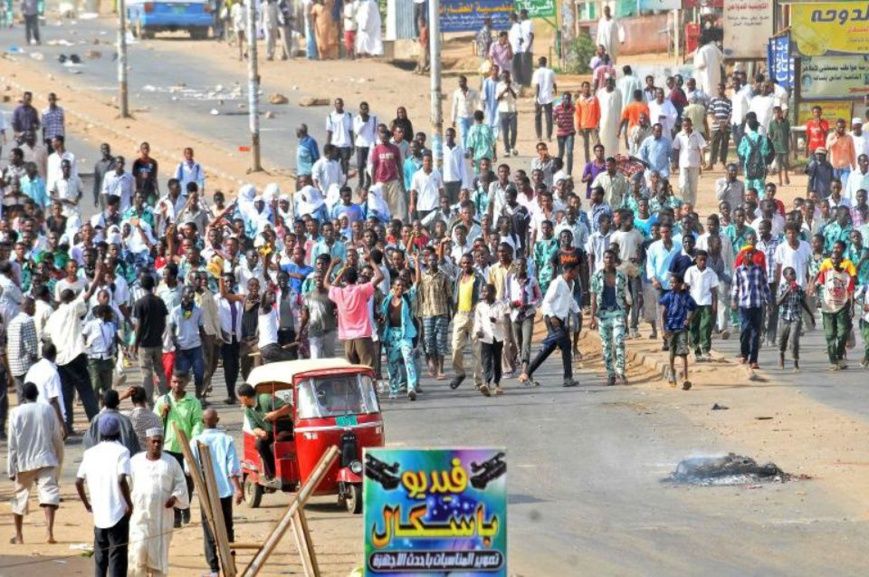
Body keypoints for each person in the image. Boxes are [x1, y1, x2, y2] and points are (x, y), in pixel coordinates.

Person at [46, 264, 104, 432]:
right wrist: (98, 275)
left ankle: (68, 425)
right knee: (86, 391)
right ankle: (96, 423)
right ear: (71, 298)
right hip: (75, 356)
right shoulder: (72, 307)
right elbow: (89, 294)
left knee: (66, 394)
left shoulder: (54, 315)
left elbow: (46, 336)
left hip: (60, 359)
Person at [75, 414, 134, 577]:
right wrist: (129, 503)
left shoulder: (90, 453)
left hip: (99, 514)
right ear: (118, 432)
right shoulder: (122, 451)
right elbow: (122, 479)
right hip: (118, 512)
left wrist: (87, 504)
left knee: (100, 557)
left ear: (100, 433)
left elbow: (78, 481)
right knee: (117, 557)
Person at [127, 428, 189, 577]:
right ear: (147, 442)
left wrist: (174, 497)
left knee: (159, 558)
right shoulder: (135, 461)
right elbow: (126, 485)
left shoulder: (171, 462)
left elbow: (181, 484)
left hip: (162, 519)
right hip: (139, 517)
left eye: (159, 442)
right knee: (138, 551)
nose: (156, 444)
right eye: (153, 441)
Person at [7, 382, 64, 545]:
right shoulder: (47, 410)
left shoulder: (15, 412)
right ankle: (49, 533)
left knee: (19, 497)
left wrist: (11, 468)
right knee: (49, 494)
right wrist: (58, 460)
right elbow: (57, 438)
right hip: (46, 459)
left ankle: (18, 536)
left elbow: (12, 444)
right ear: (37, 394)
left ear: (23, 396)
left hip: (24, 462)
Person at [191, 409, 243, 577]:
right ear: (217, 420)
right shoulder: (226, 440)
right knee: (228, 529)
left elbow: (189, 469)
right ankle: (230, 565)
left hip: (206, 493)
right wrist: (238, 489)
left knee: (209, 530)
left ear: (202, 421)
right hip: (225, 492)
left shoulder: (195, 441)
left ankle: (214, 570)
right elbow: (232, 468)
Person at [519, 263, 580, 388]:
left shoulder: (571, 284)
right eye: (576, 271)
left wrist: (577, 310)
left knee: (550, 347)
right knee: (566, 345)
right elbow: (546, 302)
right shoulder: (557, 283)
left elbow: (570, 300)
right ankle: (567, 378)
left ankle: (527, 372)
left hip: (562, 319)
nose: (578, 274)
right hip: (553, 319)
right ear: (570, 271)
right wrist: (552, 316)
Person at [153, 372, 202, 527]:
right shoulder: (163, 400)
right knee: (170, 481)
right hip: (168, 447)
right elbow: (154, 423)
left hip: (186, 447)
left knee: (188, 480)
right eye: (174, 382)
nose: (177, 385)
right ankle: (175, 515)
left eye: (180, 382)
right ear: (170, 382)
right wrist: (163, 412)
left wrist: (193, 440)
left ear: (185, 383)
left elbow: (197, 423)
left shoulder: (193, 401)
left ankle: (185, 506)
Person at [325, 255, 384, 366]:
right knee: (367, 369)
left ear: (344, 279)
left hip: (346, 338)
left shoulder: (339, 292)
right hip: (362, 336)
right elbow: (380, 276)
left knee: (354, 371)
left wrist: (333, 266)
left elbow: (327, 284)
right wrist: (371, 260)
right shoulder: (361, 290)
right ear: (356, 278)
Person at [237, 383, 291, 487]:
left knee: (274, 445)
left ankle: (283, 473)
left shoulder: (265, 399)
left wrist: (276, 414)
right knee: (259, 444)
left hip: (284, 429)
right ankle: (271, 475)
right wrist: (260, 432)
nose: (240, 400)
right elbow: (254, 427)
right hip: (269, 432)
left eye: (240, 398)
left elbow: (289, 407)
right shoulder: (248, 410)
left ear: (244, 397)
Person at [589, 249, 630, 386]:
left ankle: (621, 372)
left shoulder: (621, 276)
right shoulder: (596, 276)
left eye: (611, 258)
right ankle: (610, 374)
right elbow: (593, 296)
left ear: (615, 259)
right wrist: (592, 317)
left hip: (618, 312)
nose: (609, 260)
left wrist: (626, 317)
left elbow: (624, 296)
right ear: (603, 259)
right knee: (606, 346)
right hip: (603, 314)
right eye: (606, 257)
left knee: (619, 342)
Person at [731, 245, 770, 372]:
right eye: (747, 254)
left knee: (755, 333)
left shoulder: (759, 270)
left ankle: (754, 360)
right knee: (745, 330)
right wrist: (733, 301)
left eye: (751, 254)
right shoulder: (738, 271)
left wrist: (769, 302)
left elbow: (765, 286)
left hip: (757, 304)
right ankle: (744, 354)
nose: (749, 256)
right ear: (742, 255)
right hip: (744, 305)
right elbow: (735, 287)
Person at [450, 254, 485, 390]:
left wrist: (480, 307)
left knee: (477, 350)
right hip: (460, 315)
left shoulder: (478, 278)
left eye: (468, 263)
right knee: (456, 347)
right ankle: (460, 373)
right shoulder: (459, 276)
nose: (466, 265)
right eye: (464, 263)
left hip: (474, 316)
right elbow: (441, 264)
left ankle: (478, 381)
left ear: (472, 263)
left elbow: (483, 294)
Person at [817, 252, 855, 370]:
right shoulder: (826, 273)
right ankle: (833, 361)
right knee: (830, 335)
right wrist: (818, 299)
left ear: (841, 260)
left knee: (842, 333)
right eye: (832, 258)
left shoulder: (847, 275)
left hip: (842, 307)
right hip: (827, 307)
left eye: (836, 258)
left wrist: (852, 307)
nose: (834, 261)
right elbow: (819, 285)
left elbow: (851, 291)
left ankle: (839, 356)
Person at [660, 275, 697, 390]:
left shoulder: (686, 297)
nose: (672, 285)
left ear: (680, 283)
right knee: (671, 353)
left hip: (681, 328)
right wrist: (663, 329)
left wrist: (689, 319)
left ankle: (686, 378)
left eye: (674, 283)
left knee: (683, 353)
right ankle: (672, 373)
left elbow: (694, 308)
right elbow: (662, 314)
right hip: (670, 328)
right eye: (671, 283)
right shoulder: (667, 297)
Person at [170, 286, 207, 400]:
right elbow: (171, 329)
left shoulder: (198, 310)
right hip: (182, 348)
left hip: (195, 346)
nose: (191, 294)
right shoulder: (175, 311)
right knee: (181, 375)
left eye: (193, 292)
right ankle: (178, 397)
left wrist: (206, 347)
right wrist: (175, 345)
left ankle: (198, 397)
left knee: (199, 373)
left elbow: (201, 329)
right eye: (189, 292)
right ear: (183, 295)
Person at [776, 266, 815, 371]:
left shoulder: (798, 288)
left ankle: (795, 362)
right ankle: (781, 355)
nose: (793, 276)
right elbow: (778, 302)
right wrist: (787, 292)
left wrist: (811, 315)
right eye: (791, 274)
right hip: (784, 317)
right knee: (782, 339)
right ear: (785, 276)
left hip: (796, 317)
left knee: (794, 340)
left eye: (794, 274)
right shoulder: (782, 287)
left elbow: (803, 302)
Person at [684, 250, 719, 361]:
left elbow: (714, 291)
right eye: (700, 260)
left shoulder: (710, 272)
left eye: (704, 260)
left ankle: (705, 349)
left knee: (705, 327)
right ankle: (695, 349)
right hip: (693, 303)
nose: (703, 262)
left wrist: (714, 304)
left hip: (706, 303)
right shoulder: (691, 270)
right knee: (693, 326)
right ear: (696, 260)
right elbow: (686, 287)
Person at [474, 283, 508, 396]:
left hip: (498, 337)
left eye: (486, 291)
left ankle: (497, 384)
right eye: (483, 291)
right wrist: (478, 331)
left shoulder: (500, 304)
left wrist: (496, 320)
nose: (484, 294)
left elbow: (504, 319)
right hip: (485, 337)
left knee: (497, 360)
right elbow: (477, 321)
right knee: (486, 360)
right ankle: (487, 383)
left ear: (493, 293)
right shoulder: (480, 306)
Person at [84, 389, 141, 456]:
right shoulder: (125, 420)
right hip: (122, 457)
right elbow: (134, 446)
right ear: (118, 402)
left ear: (103, 403)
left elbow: (88, 442)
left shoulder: (96, 419)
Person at [672, 117, 707, 205]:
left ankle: (691, 207)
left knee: (693, 188)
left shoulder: (697, 134)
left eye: (688, 125)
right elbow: (676, 149)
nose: (686, 127)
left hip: (695, 164)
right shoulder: (679, 135)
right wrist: (674, 162)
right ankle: (685, 204)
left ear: (691, 125)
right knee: (683, 185)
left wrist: (703, 159)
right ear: (682, 126)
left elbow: (702, 147)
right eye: (684, 126)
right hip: (683, 164)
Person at [531, 57, 557, 142]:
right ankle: (549, 136)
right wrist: (555, 92)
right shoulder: (550, 72)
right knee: (549, 117)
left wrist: (537, 97)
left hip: (539, 97)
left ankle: (539, 136)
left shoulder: (536, 72)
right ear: (546, 62)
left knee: (537, 117)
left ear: (539, 63)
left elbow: (537, 86)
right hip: (548, 97)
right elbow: (554, 83)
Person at [576, 81, 601, 165]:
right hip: (584, 126)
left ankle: (599, 160)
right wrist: (578, 127)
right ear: (582, 88)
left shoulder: (594, 99)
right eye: (585, 87)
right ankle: (588, 162)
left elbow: (598, 112)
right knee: (586, 146)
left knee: (597, 144)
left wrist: (598, 123)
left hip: (594, 125)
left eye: (588, 86)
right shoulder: (579, 100)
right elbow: (577, 114)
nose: (586, 88)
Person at [597, 76, 622, 156]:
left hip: (614, 123)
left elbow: (620, 107)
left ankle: (613, 159)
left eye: (611, 81)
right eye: (607, 81)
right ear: (605, 82)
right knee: (603, 139)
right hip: (603, 122)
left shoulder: (618, 92)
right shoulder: (600, 92)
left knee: (614, 142)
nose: (609, 83)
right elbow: (597, 108)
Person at [553, 92, 576, 175]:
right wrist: (557, 122)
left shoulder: (572, 108)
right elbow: (553, 119)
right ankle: (558, 171)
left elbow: (576, 110)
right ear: (562, 99)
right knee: (561, 153)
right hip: (561, 133)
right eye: (565, 98)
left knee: (569, 152)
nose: (566, 100)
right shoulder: (557, 108)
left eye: (568, 99)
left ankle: (569, 173)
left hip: (570, 132)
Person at [768, 106, 791, 185]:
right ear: (774, 114)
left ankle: (786, 176)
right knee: (779, 164)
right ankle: (780, 180)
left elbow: (789, 134)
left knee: (785, 163)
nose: (777, 114)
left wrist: (791, 144)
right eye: (775, 112)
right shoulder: (772, 123)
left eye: (779, 112)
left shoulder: (786, 122)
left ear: (781, 113)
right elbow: (770, 134)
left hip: (784, 146)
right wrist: (773, 140)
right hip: (776, 147)